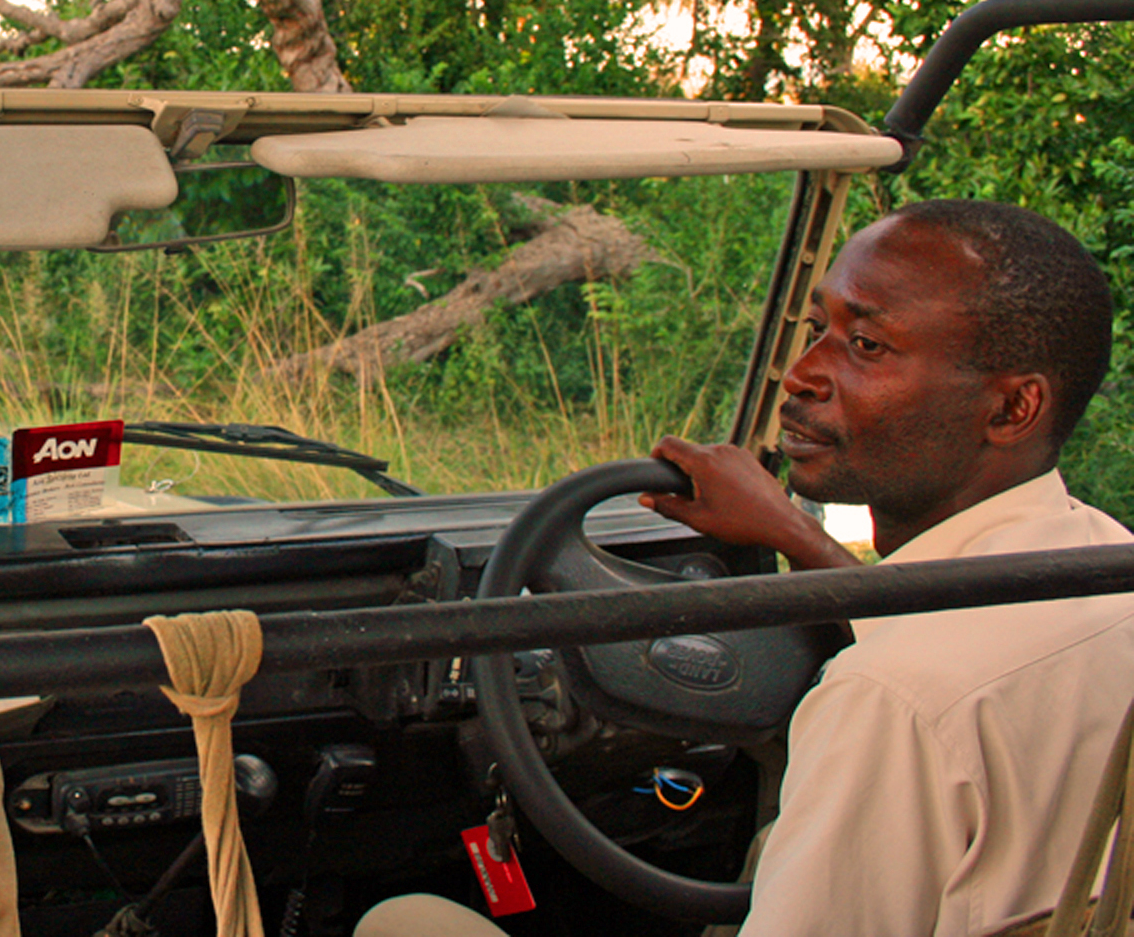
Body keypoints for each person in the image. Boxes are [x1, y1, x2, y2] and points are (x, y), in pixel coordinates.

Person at [358, 200, 1131, 937]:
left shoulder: (890, 702)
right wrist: (797, 536)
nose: (800, 373)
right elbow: (950, 633)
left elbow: (919, 676)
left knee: (401, 921)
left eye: (866, 345)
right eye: (816, 326)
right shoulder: (1104, 568)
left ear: (1011, 410)